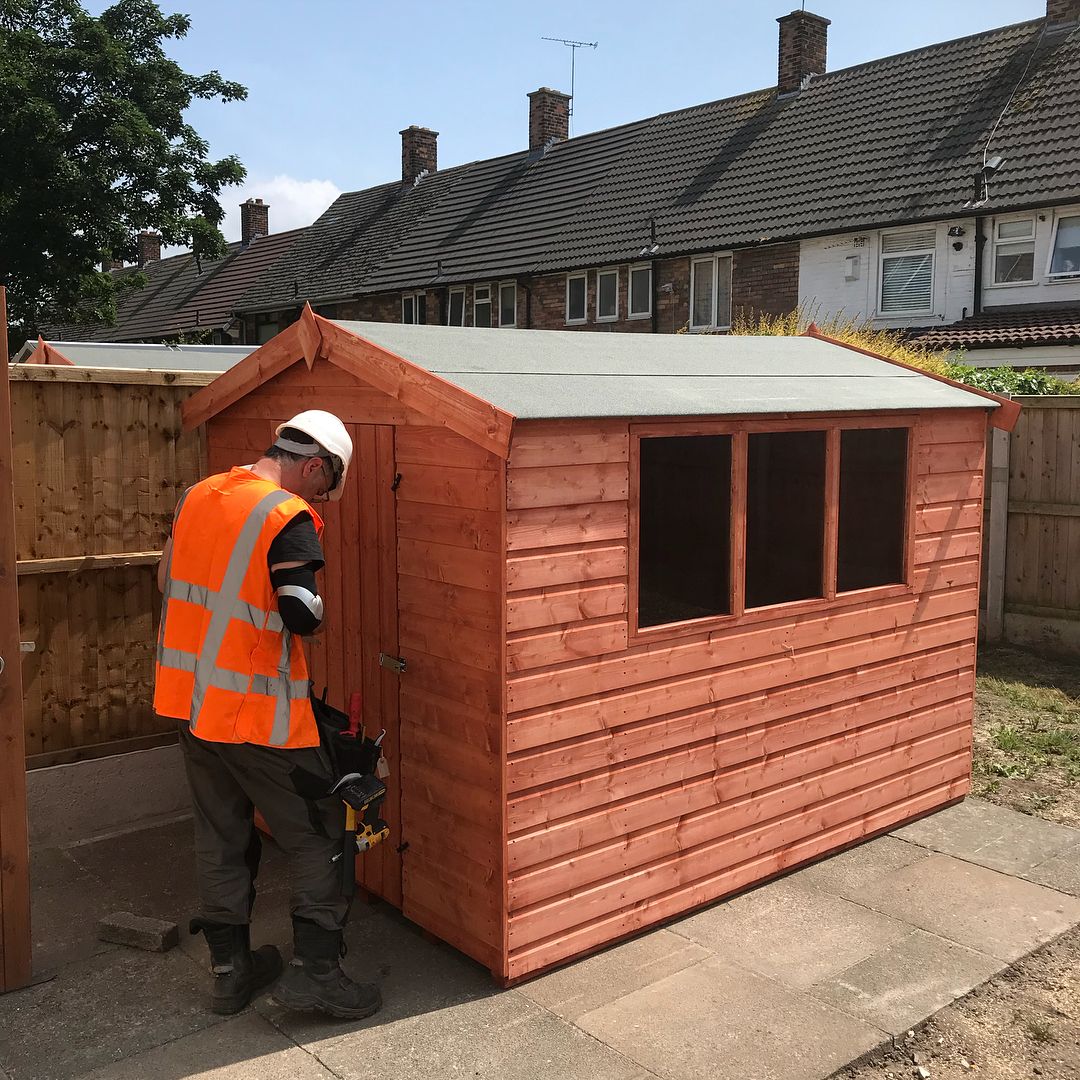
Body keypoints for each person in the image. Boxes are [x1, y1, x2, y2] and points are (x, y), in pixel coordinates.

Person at [154, 410, 380, 1020]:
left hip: (192, 704)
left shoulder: (199, 496)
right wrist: (323, 612)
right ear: (313, 466)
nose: (320, 497)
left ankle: (230, 973)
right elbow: (301, 611)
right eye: (324, 486)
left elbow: (168, 580)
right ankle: (318, 977)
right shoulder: (287, 517)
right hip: (257, 718)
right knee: (320, 832)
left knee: (222, 833)